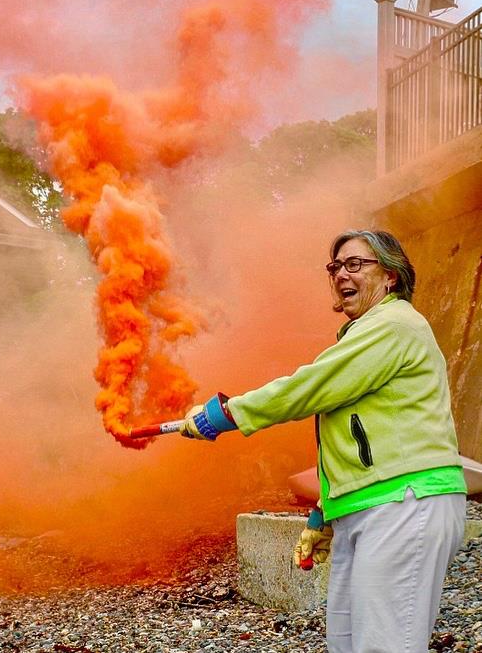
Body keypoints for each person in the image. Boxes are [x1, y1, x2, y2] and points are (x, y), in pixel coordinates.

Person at [180, 229, 467, 653]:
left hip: (405, 502)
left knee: (387, 647)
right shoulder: (367, 333)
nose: (340, 275)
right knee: (348, 644)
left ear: (390, 276)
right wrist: (324, 514)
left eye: (355, 264)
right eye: (335, 267)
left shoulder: (394, 324)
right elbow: (360, 438)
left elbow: (312, 385)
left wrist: (227, 414)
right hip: (372, 506)